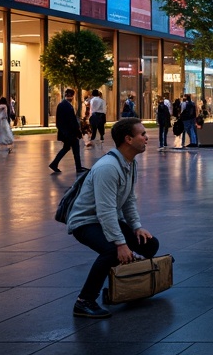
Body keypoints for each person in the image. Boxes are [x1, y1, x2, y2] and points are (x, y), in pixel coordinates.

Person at [65, 117, 159, 318]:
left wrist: (136, 227)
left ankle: (123, 287)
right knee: (112, 252)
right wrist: (120, 243)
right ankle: (84, 301)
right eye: (142, 134)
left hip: (104, 219)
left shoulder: (129, 163)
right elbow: (105, 210)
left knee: (149, 245)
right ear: (128, 139)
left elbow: (128, 200)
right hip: (86, 221)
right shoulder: (108, 167)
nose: (146, 137)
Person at [51, 88, 87, 174]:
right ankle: (78, 167)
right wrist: (77, 131)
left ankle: (55, 164)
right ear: (72, 96)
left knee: (67, 148)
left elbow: (59, 121)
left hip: (67, 132)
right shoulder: (67, 106)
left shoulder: (62, 105)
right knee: (75, 149)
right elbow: (71, 121)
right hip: (70, 133)